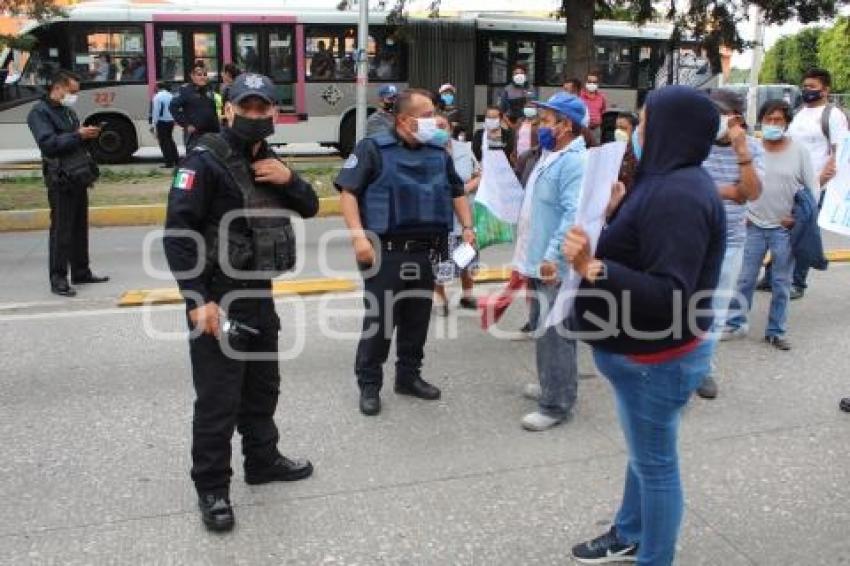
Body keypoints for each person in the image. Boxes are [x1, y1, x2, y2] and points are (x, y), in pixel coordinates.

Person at [566, 85, 725, 566]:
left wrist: (594, 267)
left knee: (656, 466)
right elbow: (645, 247)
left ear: (670, 129)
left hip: (655, 359)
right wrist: (615, 214)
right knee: (646, 454)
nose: (634, 131)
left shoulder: (677, 194)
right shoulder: (666, 181)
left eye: (642, 122)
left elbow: (669, 293)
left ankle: (654, 557)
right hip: (645, 355)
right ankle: (630, 531)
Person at [162, 72, 319, 533]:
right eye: (245, 108)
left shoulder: (269, 159)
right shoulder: (204, 161)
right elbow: (179, 235)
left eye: (263, 108)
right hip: (217, 297)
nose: (254, 116)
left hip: (257, 294)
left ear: (275, 112)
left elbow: (309, 206)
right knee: (217, 399)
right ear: (227, 109)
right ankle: (212, 488)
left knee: (262, 386)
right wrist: (197, 301)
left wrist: (290, 179)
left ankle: (263, 460)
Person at [334, 88, 476, 417]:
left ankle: (408, 377)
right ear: (403, 120)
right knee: (380, 322)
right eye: (427, 116)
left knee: (416, 319)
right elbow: (348, 193)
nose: (434, 121)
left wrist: (468, 227)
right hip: (385, 252)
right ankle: (369, 385)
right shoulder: (373, 149)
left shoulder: (438, 152)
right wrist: (358, 239)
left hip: (426, 252)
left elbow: (456, 191)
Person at [512, 92, 587, 432]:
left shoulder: (573, 161)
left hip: (552, 263)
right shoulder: (550, 154)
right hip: (538, 259)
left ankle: (556, 403)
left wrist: (552, 257)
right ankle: (551, 384)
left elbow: (573, 214)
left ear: (565, 125)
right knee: (546, 330)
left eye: (546, 121)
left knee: (556, 332)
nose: (540, 126)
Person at [724, 100, 817, 352]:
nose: (773, 124)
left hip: (784, 228)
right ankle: (736, 322)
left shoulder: (799, 152)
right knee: (744, 279)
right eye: (769, 119)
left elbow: (812, 189)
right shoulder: (752, 147)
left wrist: (798, 219)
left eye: (778, 120)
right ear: (761, 120)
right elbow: (740, 182)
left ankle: (776, 331)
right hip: (752, 224)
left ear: (787, 123)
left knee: (781, 282)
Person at [697, 88, 764, 400]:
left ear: (735, 118)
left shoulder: (751, 149)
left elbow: (749, 192)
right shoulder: (694, 142)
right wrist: (728, 190)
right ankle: (677, 363)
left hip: (730, 240)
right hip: (691, 236)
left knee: (715, 309)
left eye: (719, 113)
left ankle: (704, 369)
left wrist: (741, 152)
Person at [27, 70, 109, 297]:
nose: (74, 96)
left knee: (79, 226)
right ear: (58, 87)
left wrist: (88, 134)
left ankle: (81, 271)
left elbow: (74, 139)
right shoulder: (39, 113)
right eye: (72, 92)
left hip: (78, 174)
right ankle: (58, 278)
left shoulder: (67, 111)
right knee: (61, 229)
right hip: (59, 177)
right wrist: (78, 135)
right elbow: (49, 144)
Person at [776, 68, 849, 300]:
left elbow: (837, 156)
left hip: (816, 185)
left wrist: (817, 184)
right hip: (791, 182)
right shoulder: (799, 113)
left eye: (812, 87)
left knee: (804, 233)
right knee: (781, 230)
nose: (807, 90)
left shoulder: (833, 115)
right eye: (805, 86)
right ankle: (773, 277)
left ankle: (798, 282)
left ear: (825, 89)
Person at [433, 113, 481, 315]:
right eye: (434, 126)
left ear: (450, 128)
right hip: (439, 215)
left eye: (442, 126)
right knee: (439, 259)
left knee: (467, 255)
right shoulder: (426, 151)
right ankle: (440, 297)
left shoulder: (464, 149)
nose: (439, 130)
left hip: (464, 214)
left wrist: (464, 189)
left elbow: (479, 174)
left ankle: (467, 294)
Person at [169, 61, 220, 150]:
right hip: (195, 136)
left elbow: (212, 112)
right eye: (199, 75)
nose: (203, 77)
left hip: (211, 134)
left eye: (205, 74)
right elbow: (173, 107)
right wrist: (186, 124)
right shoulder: (185, 90)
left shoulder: (209, 90)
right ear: (192, 76)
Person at [150, 82, 179, 169]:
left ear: (158, 88)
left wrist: (153, 124)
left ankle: (169, 163)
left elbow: (156, 112)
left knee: (164, 142)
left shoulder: (157, 97)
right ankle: (177, 160)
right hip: (171, 121)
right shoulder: (171, 96)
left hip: (161, 122)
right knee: (170, 140)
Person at [579, 73, 607, 144]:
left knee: (596, 149)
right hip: (583, 129)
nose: (592, 84)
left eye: (594, 82)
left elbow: (602, 110)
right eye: (589, 82)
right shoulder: (579, 96)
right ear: (585, 83)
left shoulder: (601, 97)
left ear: (597, 84)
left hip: (596, 130)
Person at [615, 112, 639, 191]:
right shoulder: (611, 150)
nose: (618, 132)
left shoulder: (637, 153)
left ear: (634, 130)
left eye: (623, 128)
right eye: (617, 128)